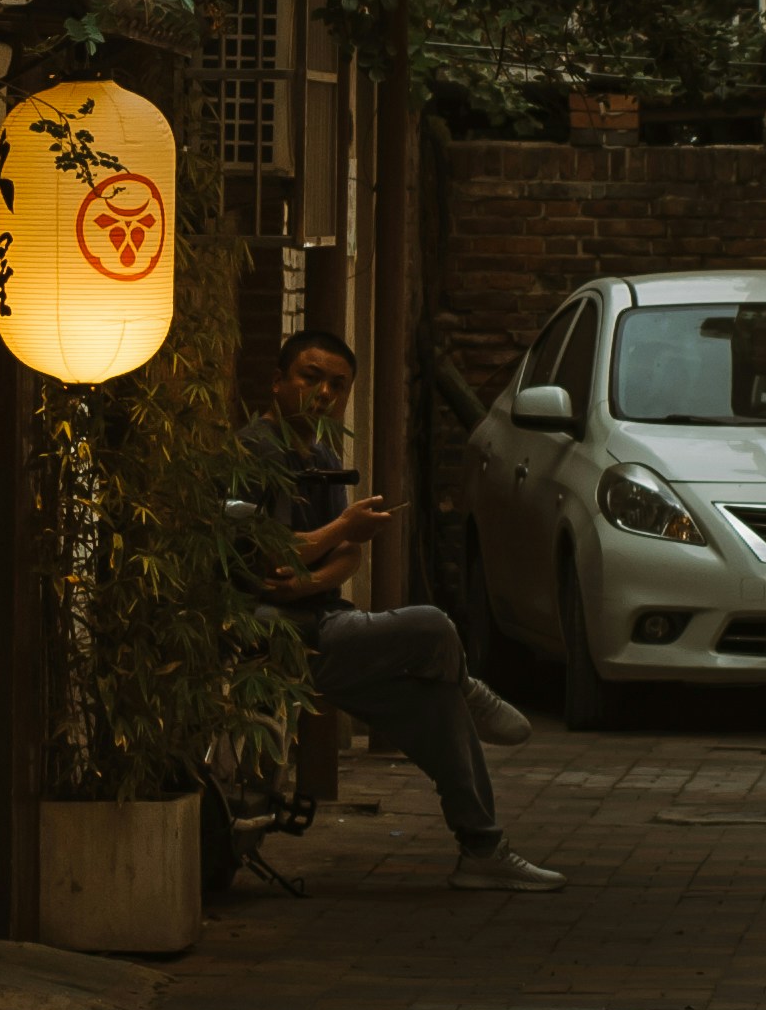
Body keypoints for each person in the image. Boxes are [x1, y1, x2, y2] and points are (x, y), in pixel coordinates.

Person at [234, 326, 561, 893]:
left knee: (437, 706)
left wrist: (309, 572)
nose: (324, 394)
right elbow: (264, 552)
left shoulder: (326, 455)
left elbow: (347, 559)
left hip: (320, 623)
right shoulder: (252, 452)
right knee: (431, 625)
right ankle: (466, 685)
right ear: (278, 381)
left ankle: (482, 847)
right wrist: (336, 531)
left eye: (338, 385)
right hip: (274, 636)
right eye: (311, 378)